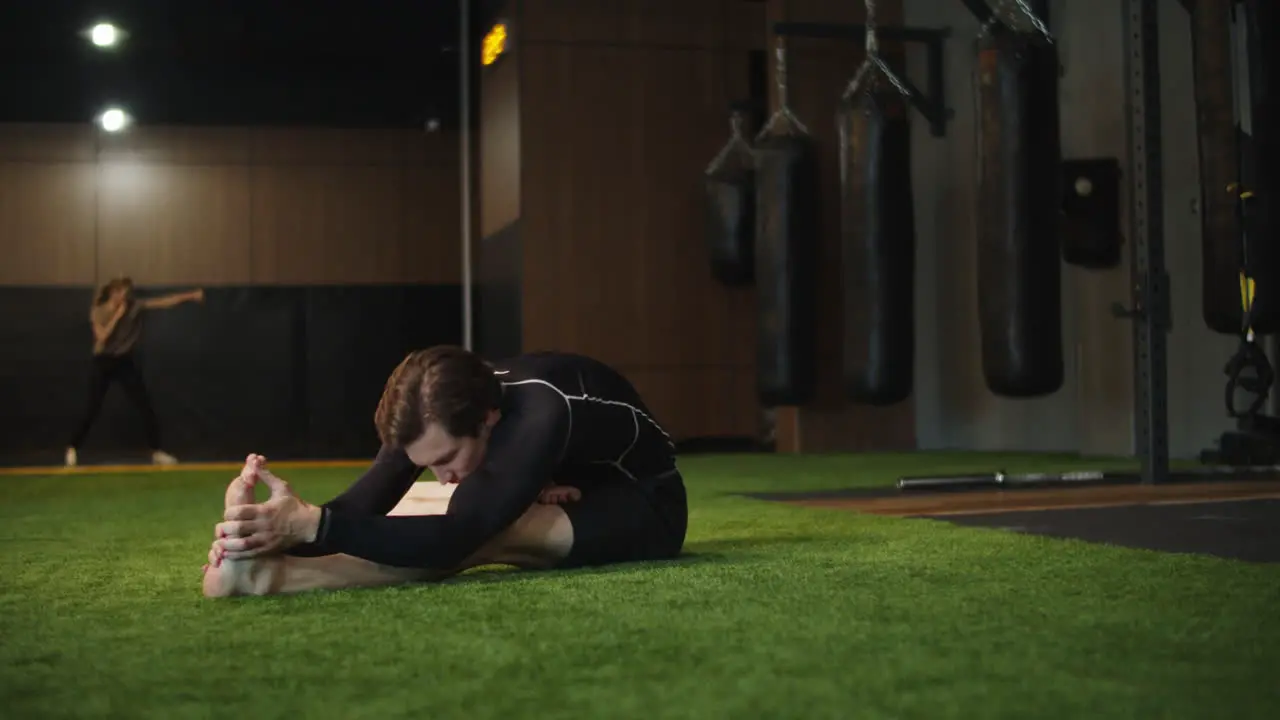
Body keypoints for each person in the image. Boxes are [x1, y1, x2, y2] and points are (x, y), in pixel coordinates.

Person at [201, 347, 688, 597]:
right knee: (414, 509)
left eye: (445, 459)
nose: (440, 474)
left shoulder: (540, 416)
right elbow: (363, 506)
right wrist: (274, 530)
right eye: (425, 463)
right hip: (566, 479)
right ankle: (259, 560)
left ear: (487, 420)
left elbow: (453, 537)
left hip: (642, 505)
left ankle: (264, 581)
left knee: (484, 530)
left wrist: (312, 525)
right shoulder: (438, 407)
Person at [65, 277, 204, 467]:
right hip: (103, 361)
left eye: (126, 292)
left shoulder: (135, 306)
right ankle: (73, 448)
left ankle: (156, 452)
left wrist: (191, 295)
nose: (124, 296)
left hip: (124, 362)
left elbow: (164, 302)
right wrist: (118, 316)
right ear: (113, 292)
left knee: (145, 406)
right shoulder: (98, 310)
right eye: (120, 291)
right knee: (92, 408)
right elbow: (102, 338)